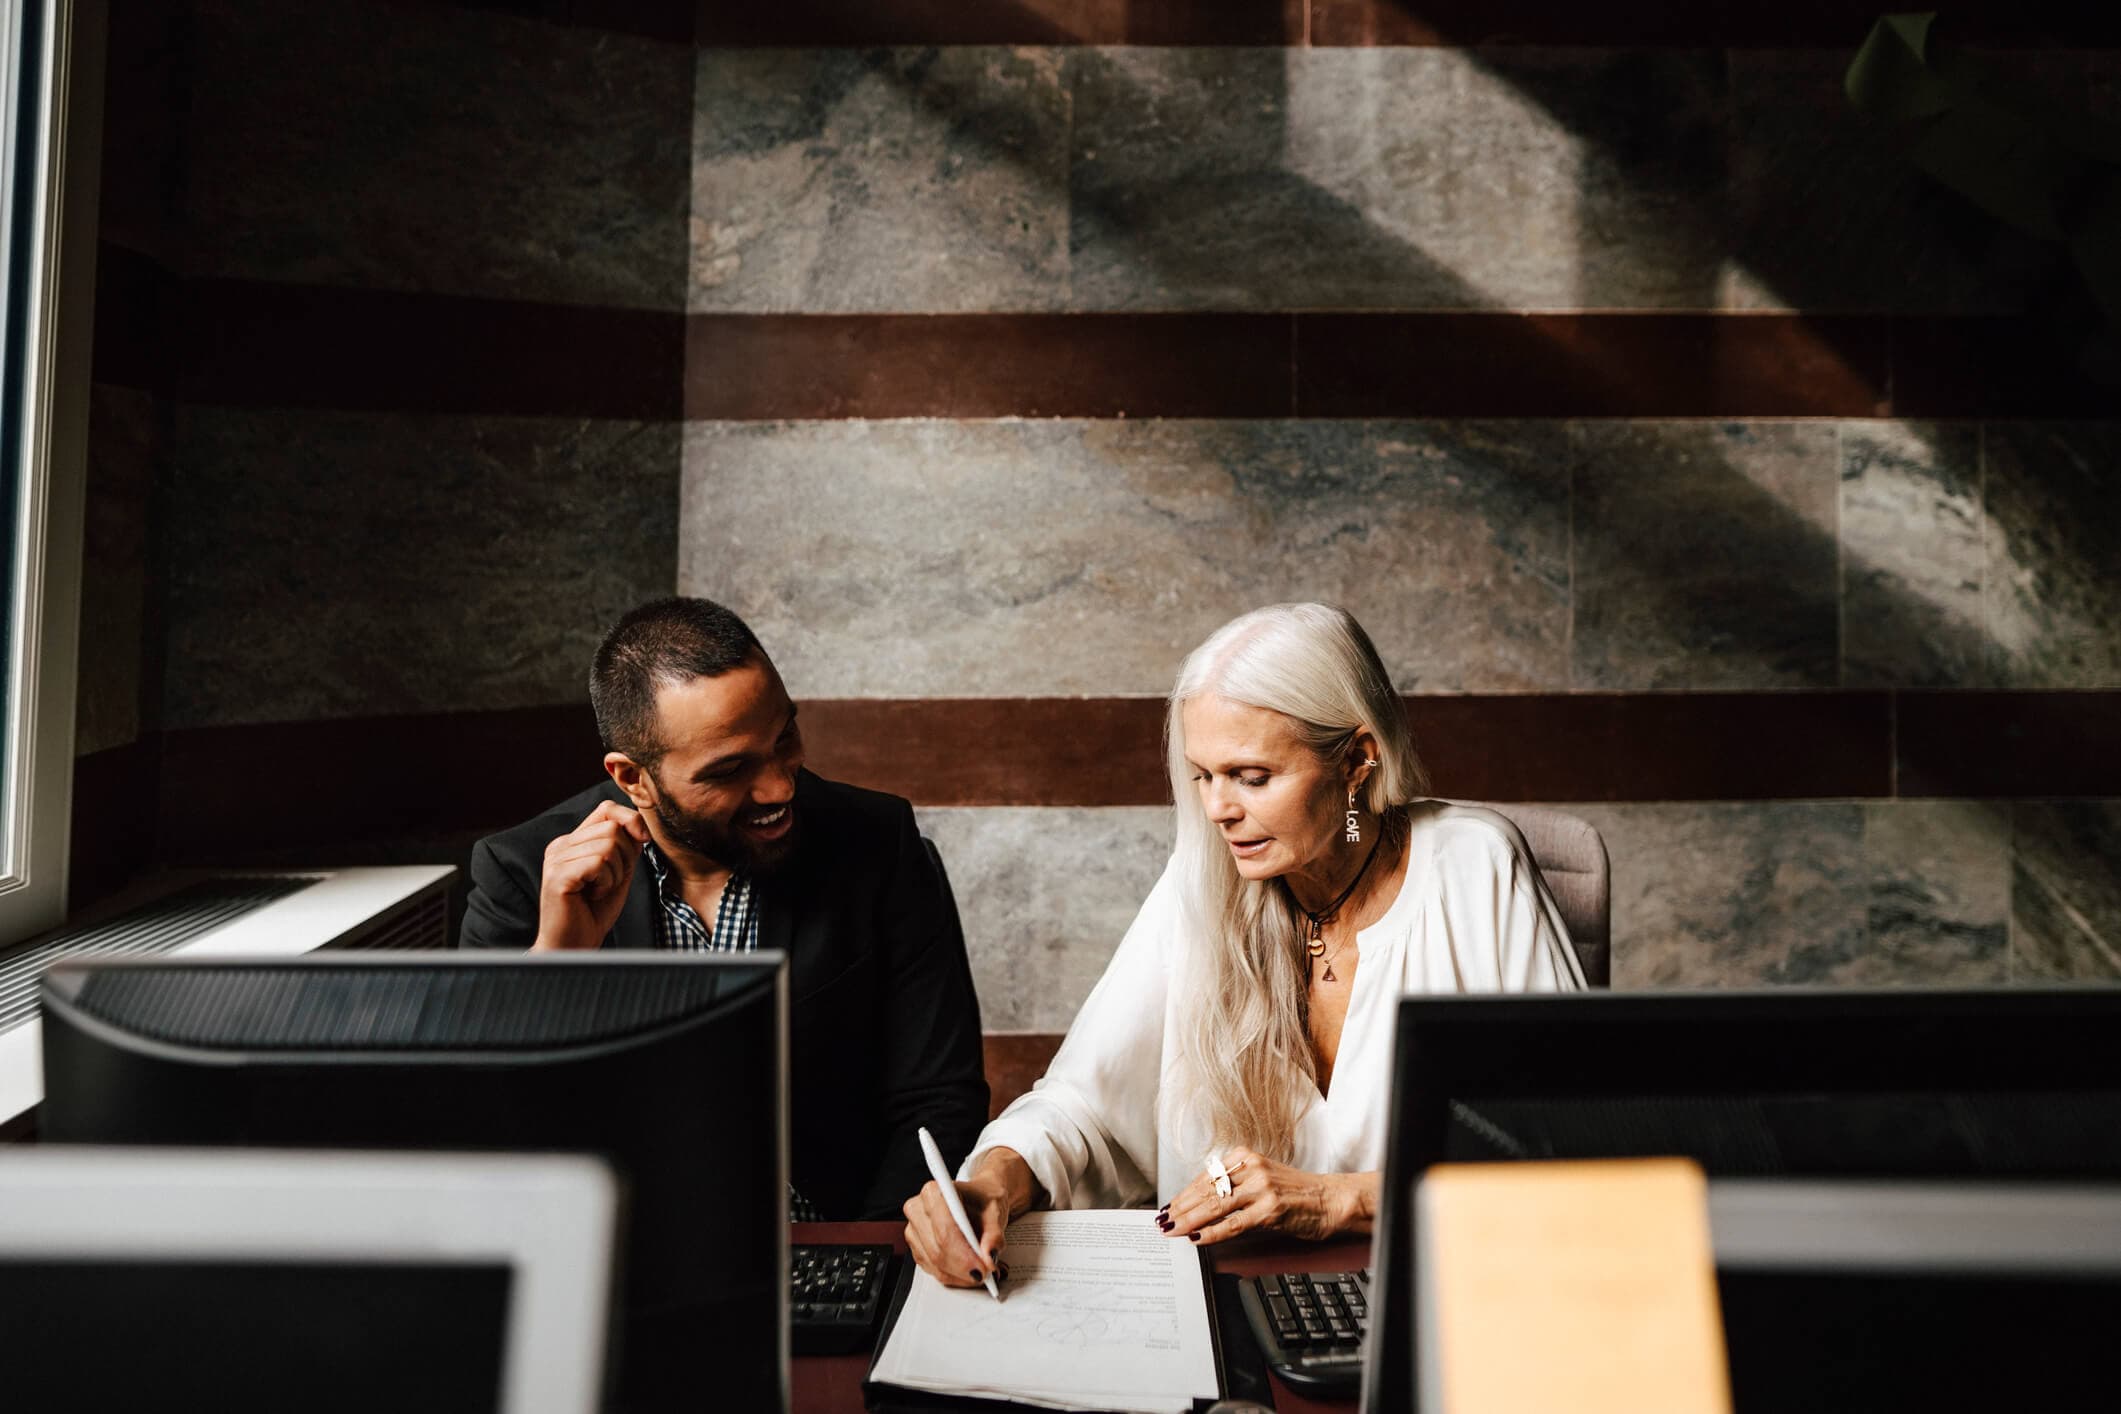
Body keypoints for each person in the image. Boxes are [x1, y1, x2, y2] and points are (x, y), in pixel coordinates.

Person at [903, 602, 1584, 1285]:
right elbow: (1086, 1103)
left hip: (1444, 1298)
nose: (1218, 809)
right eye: (1203, 775)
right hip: (1232, 1305)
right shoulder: (1202, 878)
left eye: (1252, 778)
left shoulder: (1474, 868)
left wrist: (1332, 1200)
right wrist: (995, 1178)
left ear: (1356, 760)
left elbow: (1570, 1156)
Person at [460, 596, 989, 1220]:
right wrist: (560, 962)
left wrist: (864, 1260)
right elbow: (484, 1136)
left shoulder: (879, 842)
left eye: (784, 736)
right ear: (633, 778)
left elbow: (939, 1101)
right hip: (628, 1266)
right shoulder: (522, 873)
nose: (780, 787)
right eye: (729, 770)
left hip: (842, 1241)